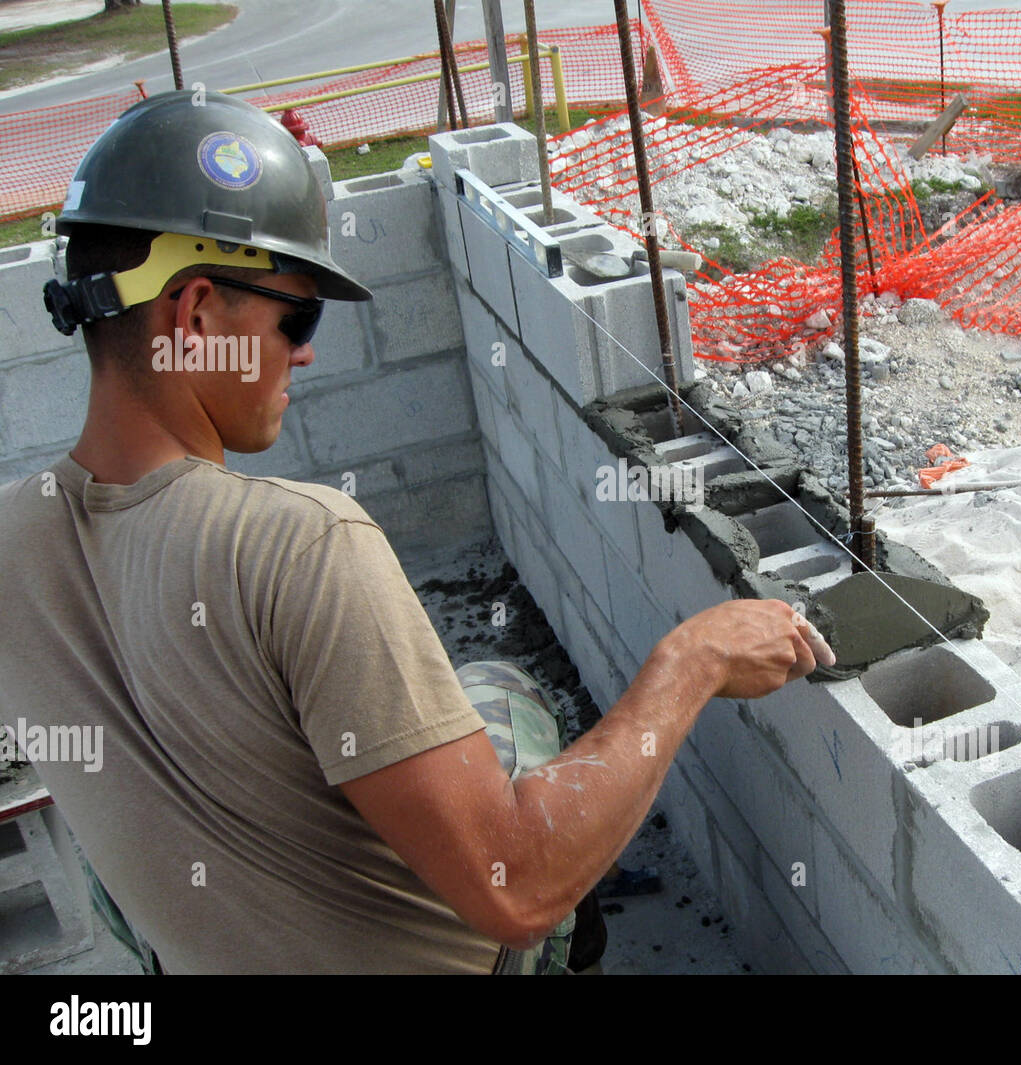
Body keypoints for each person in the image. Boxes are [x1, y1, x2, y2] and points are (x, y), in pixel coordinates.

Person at [0, 91, 833, 974]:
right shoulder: (299, 544)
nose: (307, 351)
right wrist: (690, 662)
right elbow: (513, 887)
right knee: (508, 694)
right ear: (198, 315)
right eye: (297, 316)